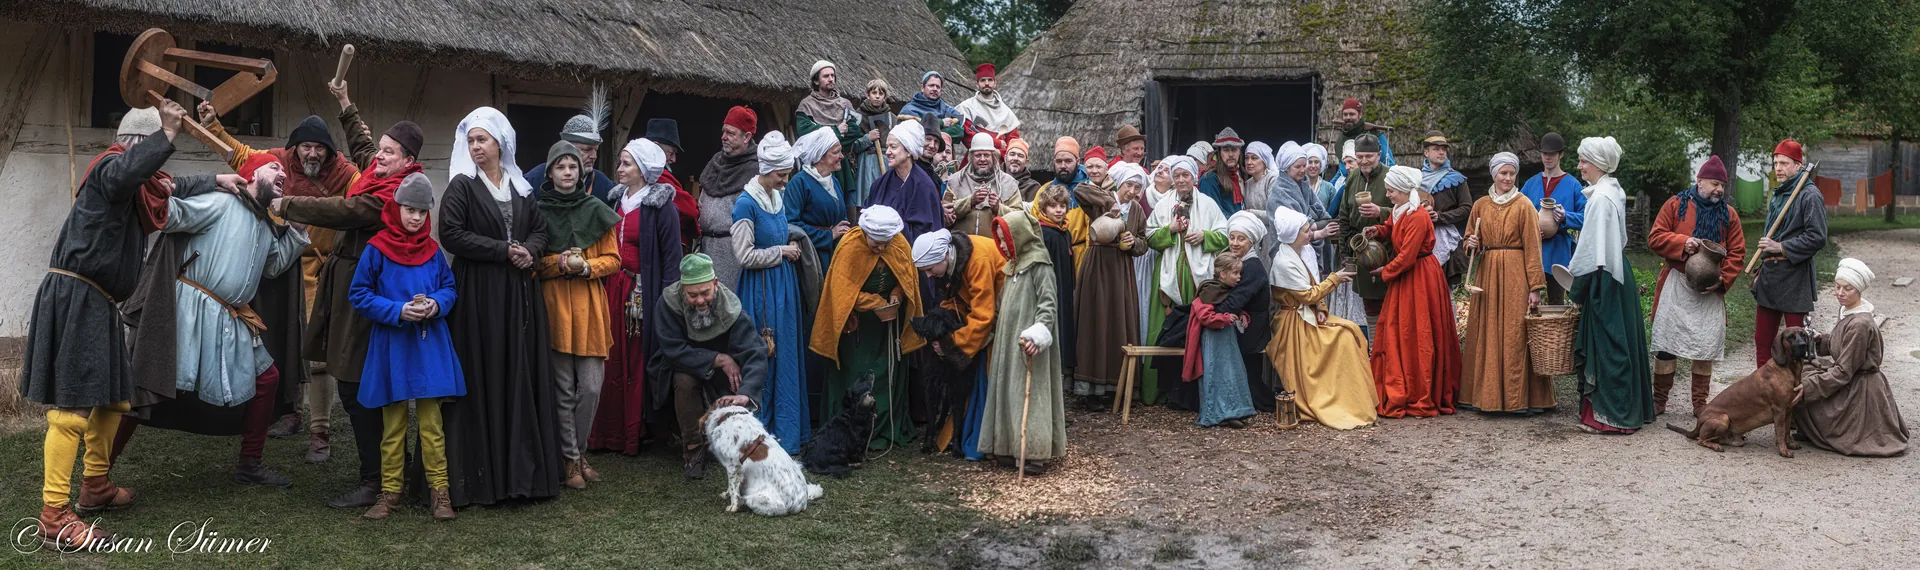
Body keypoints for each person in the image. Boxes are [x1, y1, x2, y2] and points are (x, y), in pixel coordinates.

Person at [22, 102, 186, 547]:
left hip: (100, 300)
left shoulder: (138, 184)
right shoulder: (111, 170)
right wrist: (167, 135)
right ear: (137, 146)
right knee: (72, 408)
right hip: (78, 295)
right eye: (152, 151)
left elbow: (172, 184)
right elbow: (127, 174)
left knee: (115, 400)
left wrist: (222, 180)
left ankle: (95, 487)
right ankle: (54, 515)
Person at [116, 152, 307, 490]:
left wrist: (298, 230)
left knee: (268, 379)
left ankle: (250, 463)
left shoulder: (264, 224)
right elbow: (172, 214)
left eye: (285, 172)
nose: (283, 175)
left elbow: (274, 266)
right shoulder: (219, 203)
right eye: (274, 167)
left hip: (231, 318)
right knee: (145, 385)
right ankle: (99, 470)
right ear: (250, 174)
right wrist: (190, 185)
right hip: (187, 310)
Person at [200, 85, 370, 456]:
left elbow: (369, 190)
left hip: (318, 270)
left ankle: (320, 432)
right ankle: (289, 410)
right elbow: (238, 154)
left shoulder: (346, 174)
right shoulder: (277, 162)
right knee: (278, 343)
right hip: (276, 266)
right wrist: (213, 126)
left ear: (329, 150)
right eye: (306, 146)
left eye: (319, 147)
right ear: (295, 148)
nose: (312, 153)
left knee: (318, 351)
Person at [272, 114, 428, 509]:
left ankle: (376, 479)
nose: (379, 156)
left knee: (357, 388)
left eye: (389, 152)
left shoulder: (391, 195)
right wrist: (345, 107)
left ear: (408, 161)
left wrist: (286, 203)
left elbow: (346, 210)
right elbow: (363, 148)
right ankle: (389, 471)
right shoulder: (381, 172)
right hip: (345, 287)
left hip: (364, 293)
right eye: (382, 148)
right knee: (353, 384)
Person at [440, 107, 563, 506]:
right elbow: (451, 234)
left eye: (483, 140)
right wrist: (501, 250)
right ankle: (482, 478)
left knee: (519, 370)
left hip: (520, 295)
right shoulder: (462, 186)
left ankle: (523, 476)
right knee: (485, 369)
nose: (476, 147)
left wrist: (529, 250)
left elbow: (541, 230)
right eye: (471, 140)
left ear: (500, 144)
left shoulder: (521, 186)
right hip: (480, 293)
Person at [348, 172, 462, 521]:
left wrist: (435, 305)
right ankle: (390, 492)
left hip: (428, 347)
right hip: (393, 346)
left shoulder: (433, 251)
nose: (415, 217)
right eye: (410, 210)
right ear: (396, 209)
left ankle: (439, 493)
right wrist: (397, 310)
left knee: (431, 425)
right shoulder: (376, 250)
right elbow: (359, 294)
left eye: (422, 212)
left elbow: (449, 288)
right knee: (393, 425)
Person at [532, 142, 621, 489]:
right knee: (563, 389)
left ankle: (579, 451)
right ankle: (570, 461)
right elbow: (535, 263)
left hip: (589, 307)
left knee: (591, 388)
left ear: (580, 172)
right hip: (554, 306)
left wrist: (585, 266)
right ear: (550, 173)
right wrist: (559, 263)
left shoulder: (597, 210)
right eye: (560, 167)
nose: (568, 172)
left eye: (573, 166)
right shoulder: (537, 212)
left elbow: (613, 259)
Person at [587, 138, 684, 455]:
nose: (619, 169)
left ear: (643, 169)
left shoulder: (662, 207)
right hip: (611, 287)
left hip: (642, 292)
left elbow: (671, 262)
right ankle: (606, 431)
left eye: (626, 163)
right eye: (620, 162)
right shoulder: (615, 202)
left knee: (637, 357)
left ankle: (636, 430)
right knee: (610, 355)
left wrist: (666, 303)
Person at [810, 206, 927, 450]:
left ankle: (887, 427)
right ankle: (852, 432)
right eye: (876, 243)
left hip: (889, 326)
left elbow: (906, 278)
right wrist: (875, 303)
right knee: (858, 374)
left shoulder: (899, 243)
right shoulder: (850, 246)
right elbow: (841, 291)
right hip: (857, 325)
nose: (882, 248)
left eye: (886, 243)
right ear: (865, 232)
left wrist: (896, 296)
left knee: (888, 374)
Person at [650, 254, 769, 479]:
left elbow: (755, 352)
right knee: (684, 380)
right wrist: (719, 359)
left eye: (705, 293)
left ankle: (734, 444)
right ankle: (694, 449)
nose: (700, 301)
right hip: (682, 365)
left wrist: (746, 394)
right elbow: (672, 349)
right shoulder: (668, 302)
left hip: (722, 377)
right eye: (692, 295)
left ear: (715, 284)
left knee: (739, 381)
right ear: (682, 289)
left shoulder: (730, 305)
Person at [1567, 136, 1655, 434]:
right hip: (1616, 272)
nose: (1579, 166)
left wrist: (1576, 290)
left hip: (1605, 277)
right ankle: (1620, 411)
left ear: (1599, 164)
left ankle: (1613, 417)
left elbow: (1593, 252)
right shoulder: (1610, 191)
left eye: (1583, 161)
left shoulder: (1601, 200)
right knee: (1619, 341)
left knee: (1609, 345)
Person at [1646, 156, 1746, 416]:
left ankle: (1700, 404)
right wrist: (1682, 243)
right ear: (1699, 181)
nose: (1719, 190)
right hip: (1677, 283)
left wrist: (1723, 279)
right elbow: (1655, 237)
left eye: (1722, 185)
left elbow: (1737, 252)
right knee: (1667, 344)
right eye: (1714, 183)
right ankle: (1659, 400)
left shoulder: (1729, 215)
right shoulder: (1676, 205)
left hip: (1709, 289)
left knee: (1705, 347)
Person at [731, 132, 809, 448]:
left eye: (787, 174)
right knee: (764, 357)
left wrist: (789, 243)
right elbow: (744, 255)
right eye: (781, 174)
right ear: (765, 169)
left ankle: (786, 432)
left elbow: (776, 232)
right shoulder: (745, 203)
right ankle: (757, 436)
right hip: (760, 291)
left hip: (783, 289)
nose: (786, 180)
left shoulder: (776, 197)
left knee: (786, 357)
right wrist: (782, 252)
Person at [1266, 208, 1377, 430]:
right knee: (1343, 338)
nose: (1311, 233)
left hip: (1306, 314)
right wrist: (1335, 279)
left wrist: (1320, 308)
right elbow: (1308, 294)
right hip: (1293, 323)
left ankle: (1352, 397)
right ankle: (1332, 397)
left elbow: (1312, 292)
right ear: (1294, 235)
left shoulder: (1300, 253)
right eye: (1306, 231)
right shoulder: (1284, 261)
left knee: (1351, 330)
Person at [1457, 153, 1551, 415]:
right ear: (1494, 174)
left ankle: (1516, 398)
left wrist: (1535, 287)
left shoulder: (1524, 206)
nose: (1508, 178)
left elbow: (1534, 248)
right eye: (1503, 173)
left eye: (1512, 174)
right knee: (1485, 331)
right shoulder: (1481, 205)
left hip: (1515, 275)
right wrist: (1471, 244)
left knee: (1514, 333)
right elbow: (1468, 240)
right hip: (1487, 275)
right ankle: (1483, 396)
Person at [1364, 165, 1460, 418]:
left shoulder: (1418, 217)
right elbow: (1393, 229)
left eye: (1392, 190)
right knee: (1401, 330)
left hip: (1420, 277)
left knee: (1418, 331)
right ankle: (1404, 382)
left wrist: (1385, 271)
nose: (1388, 195)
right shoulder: (1400, 210)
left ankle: (1419, 389)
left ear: (1406, 190)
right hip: (1406, 277)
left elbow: (1407, 257)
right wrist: (1380, 230)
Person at [978, 210, 1065, 475]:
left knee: (1030, 393)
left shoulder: (1040, 265)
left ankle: (1033, 451)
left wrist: (1039, 333)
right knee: (1007, 391)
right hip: (1008, 342)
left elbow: (1048, 303)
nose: (1002, 246)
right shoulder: (1012, 267)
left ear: (1020, 236)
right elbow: (1004, 303)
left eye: (1006, 240)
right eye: (1000, 240)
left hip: (1029, 343)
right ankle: (1007, 445)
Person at [1792, 259, 1908, 457]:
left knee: (1802, 385)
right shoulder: (1848, 311)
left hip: (1860, 388)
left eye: (1848, 288)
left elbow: (1844, 371)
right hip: (1850, 375)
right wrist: (1823, 341)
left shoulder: (1860, 324)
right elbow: (1842, 344)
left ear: (1859, 290)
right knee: (1800, 373)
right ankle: (1810, 427)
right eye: (1837, 287)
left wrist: (1810, 388)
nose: (1840, 293)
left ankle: (1821, 430)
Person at [912, 229, 1005, 459]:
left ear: (944, 257)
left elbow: (983, 316)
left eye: (930, 270)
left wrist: (951, 345)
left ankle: (989, 439)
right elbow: (957, 301)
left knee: (987, 374)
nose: (930, 276)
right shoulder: (955, 262)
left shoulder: (978, 261)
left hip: (1004, 313)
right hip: (990, 314)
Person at [1146, 156, 1229, 410]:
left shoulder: (1208, 204)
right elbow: (1150, 236)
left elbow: (1224, 235)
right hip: (1169, 273)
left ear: (1194, 177)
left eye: (1186, 175)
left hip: (1198, 275)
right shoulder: (1163, 206)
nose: (1181, 180)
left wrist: (1204, 236)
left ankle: (1197, 391)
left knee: (1197, 328)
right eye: (1177, 175)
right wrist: (1169, 230)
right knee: (1164, 328)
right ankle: (1160, 391)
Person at [1072, 162, 1149, 409]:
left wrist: (1133, 241)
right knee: (1095, 320)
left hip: (1121, 270)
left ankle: (1116, 387)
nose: (1133, 191)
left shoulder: (1136, 209)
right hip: (1098, 267)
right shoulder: (1102, 198)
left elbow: (1143, 242)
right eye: (1129, 185)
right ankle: (1091, 390)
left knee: (1119, 322)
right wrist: (1109, 204)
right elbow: (1079, 191)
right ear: (1119, 183)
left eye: (1138, 187)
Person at [1752, 139, 1828, 367]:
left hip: (1795, 277)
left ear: (1798, 165)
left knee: (1798, 345)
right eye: (1775, 162)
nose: (1778, 167)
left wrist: (1782, 247)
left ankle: (1797, 395)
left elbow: (1817, 237)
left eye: (1784, 163)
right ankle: (1764, 392)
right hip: (1771, 277)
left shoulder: (1810, 195)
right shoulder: (1779, 194)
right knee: (1763, 340)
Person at [1183, 255, 1257, 428]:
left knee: (1231, 374)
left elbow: (1233, 309)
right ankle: (1214, 414)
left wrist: (1242, 316)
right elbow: (1204, 316)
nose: (1239, 277)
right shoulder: (1208, 292)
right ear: (1223, 274)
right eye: (1236, 273)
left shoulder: (1227, 291)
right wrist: (1223, 318)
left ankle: (1233, 411)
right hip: (1212, 342)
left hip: (1227, 341)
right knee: (1213, 375)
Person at [698, 106, 761, 290]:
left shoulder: (756, 169)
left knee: (729, 304)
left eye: (731, 133)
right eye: (723, 131)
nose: (724, 137)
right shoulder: (716, 162)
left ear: (746, 137)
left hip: (732, 250)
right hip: (706, 247)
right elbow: (702, 200)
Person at [1518, 132, 1584, 304]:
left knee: (1556, 302)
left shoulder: (1573, 184)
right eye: (1545, 153)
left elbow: (1587, 218)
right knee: (1529, 302)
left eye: (1552, 154)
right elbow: (1516, 213)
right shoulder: (1531, 183)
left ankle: (1555, 332)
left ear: (1561, 154)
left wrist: (1565, 217)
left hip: (1558, 251)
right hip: (1532, 251)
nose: (1548, 157)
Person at [1219, 211, 1275, 411]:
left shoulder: (1251, 268)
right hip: (1244, 326)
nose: (1234, 243)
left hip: (1252, 331)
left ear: (1251, 242)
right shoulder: (1239, 263)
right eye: (1232, 237)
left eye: (1241, 239)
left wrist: (1211, 313)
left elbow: (1234, 302)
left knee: (1250, 377)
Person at [1338, 135, 1392, 340]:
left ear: (1379, 155)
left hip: (1387, 251)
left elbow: (1406, 211)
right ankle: (1373, 349)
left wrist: (1381, 212)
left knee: (1389, 303)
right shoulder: (1352, 178)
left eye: (1369, 156)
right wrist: (1346, 254)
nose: (1364, 161)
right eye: (1360, 156)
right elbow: (1344, 216)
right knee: (1369, 304)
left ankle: (1390, 353)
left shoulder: (1390, 176)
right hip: (1360, 250)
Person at [1031, 185, 1080, 388]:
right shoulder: (1043, 233)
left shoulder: (1064, 233)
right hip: (1050, 292)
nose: (1059, 210)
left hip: (1064, 292)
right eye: (1053, 206)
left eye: (1062, 205)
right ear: (1044, 209)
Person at [795, 60, 865, 197]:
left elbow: (855, 132)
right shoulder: (807, 105)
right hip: (818, 165)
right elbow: (804, 133)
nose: (831, 79)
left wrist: (825, 137)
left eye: (832, 76)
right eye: (826, 76)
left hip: (842, 164)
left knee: (845, 207)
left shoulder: (844, 104)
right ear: (816, 81)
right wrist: (836, 130)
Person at [867, 118, 944, 242]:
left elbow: (928, 233)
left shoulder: (924, 187)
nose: (887, 152)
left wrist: (888, 227)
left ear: (909, 151)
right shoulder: (880, 184)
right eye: (887, 147)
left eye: (893, 147)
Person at [788, 128, 852, 269]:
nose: (842, 156)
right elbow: (790, 223)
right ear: (820, 157)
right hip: (813, 256)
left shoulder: (833, 182)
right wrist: (828, 235)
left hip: (837, 253)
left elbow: (842, 217)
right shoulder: (800, 183)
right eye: (836, 152)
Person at [524, 105, 618, 202]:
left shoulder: (604, 185)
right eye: (587, 149)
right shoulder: (534, 179)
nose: (594, 156)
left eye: (596, 149)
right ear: (567, 148)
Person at [1418, 131, 1476, 285]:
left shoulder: (1456, 179)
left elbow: (1466, 208)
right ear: (1426, 152)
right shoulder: (1416, 179)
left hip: (1446, 238)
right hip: (1421, 238)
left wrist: (1440, 217)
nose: (1441, 152)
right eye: (1436, 148)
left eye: (1444, 148)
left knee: (1444, 288)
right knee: (1423, 285)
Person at [944, 132, 1023, 237]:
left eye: (986, 155)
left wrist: (998, 208)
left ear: (993, 157)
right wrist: (970, 201)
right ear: (971, 157)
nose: (982, 159)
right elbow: (946, 213)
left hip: (995, 249)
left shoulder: (1008, 183)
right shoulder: (955, 181)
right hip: (961, 248)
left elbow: (1020, 219)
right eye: (978, 155)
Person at [641, 117, 700, 249]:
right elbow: (690, 210)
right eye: (671, 152)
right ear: (656, 147)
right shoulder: (656, 177)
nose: (673, 159)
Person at [851, 79, 895, 210]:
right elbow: (851, 146)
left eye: (880, 93)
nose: (877, 96)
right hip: (866, 163)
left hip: (886, 162)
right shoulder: (857, 116)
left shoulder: (892, 118)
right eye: (874, 92)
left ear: (885, 97)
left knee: (886, 200)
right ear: (867, 94)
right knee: (868, 200)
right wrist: (867, 138)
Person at [957, 63, 1021, 152]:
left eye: (990, 80)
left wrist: (1000, 154)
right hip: (976, 157)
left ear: (995, 83)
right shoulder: (967, 107)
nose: (987, 83)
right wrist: (995, 142)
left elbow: (1014, 143)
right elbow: (968, 137)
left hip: (1000, 160)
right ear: (977, 84)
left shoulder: (1006, 112)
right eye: (983, 80)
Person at [1332, 98, 1395, 172]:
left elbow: (1389, 165)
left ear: (1360, 114)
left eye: (1352, 114)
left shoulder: (1376, 135)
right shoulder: (1341, 141)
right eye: (1345, 114)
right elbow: (1342, 171)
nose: (1348, 117)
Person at [899, 71, 964, 140]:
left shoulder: (947, 110)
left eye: (938, 87)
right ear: (922, 87)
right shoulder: (909, 110)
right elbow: (915, 132)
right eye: (931, 85)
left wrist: (930, 133)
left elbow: (959, 132)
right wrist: (940, 123)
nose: (935, 89)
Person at [1199, 128, 1246, 215]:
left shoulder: (1241, 174)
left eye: (1234, 149)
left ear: (1239, 151)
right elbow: (1213, 213)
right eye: (1226, 150)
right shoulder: (1209, 179)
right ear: (1219, 152)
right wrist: (1238, 223)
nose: (1231, 154)